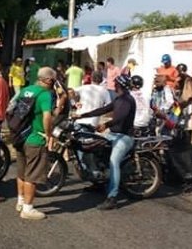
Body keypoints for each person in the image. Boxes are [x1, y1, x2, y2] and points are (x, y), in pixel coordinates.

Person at [74, 74, 136, 210]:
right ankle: (99, 182)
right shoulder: (119, 99)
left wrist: (105, 125)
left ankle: (112, 197)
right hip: (113, 134)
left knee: (114, 161)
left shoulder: (127, 100)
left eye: (115, 83)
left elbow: (121, 117)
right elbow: (102, 110)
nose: (113, 85)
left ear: (119, 85)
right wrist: (82, 115)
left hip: (124, 137)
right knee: (94, 148)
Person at [15, 67, 60, 220]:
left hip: (20, 136)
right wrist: (48, 135)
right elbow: (47, 117)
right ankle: (28, 209)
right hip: (35, 138)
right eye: (54, 80)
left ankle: (20, 201)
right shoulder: (45, 94)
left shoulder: (26, 90)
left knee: (21, 172)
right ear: (48, 80)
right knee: (32, 175)